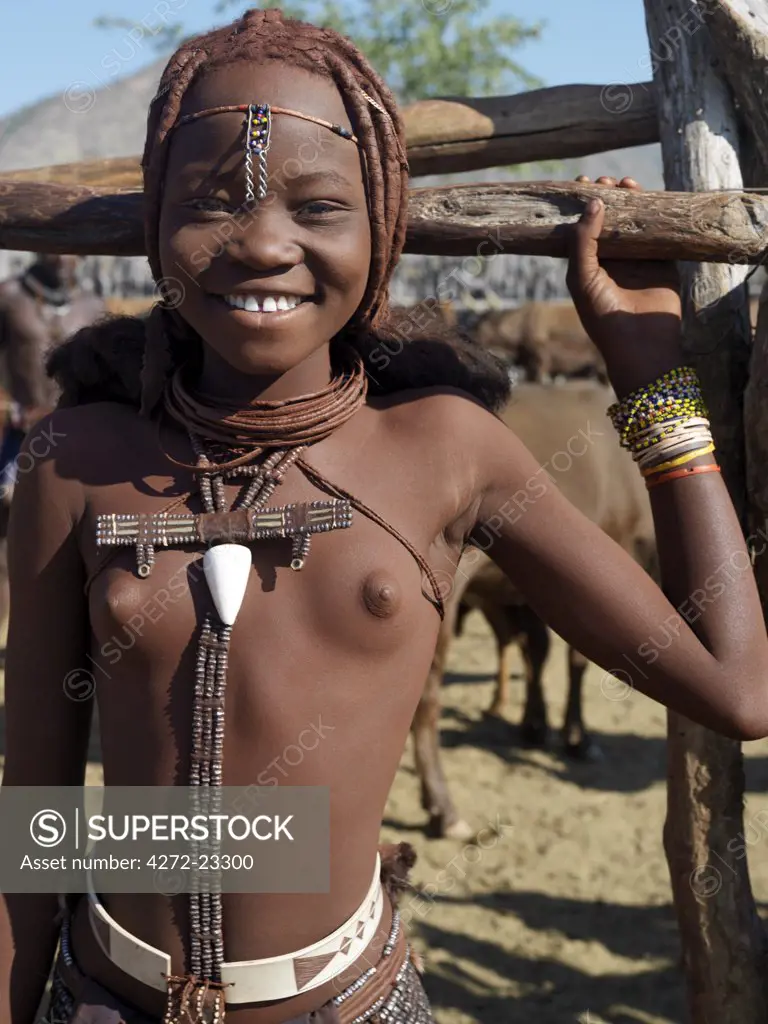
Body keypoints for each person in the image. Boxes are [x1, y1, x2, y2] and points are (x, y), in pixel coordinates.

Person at [2, 8, 768, 1024]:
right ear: (154, 228)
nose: (264, 241)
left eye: (319, 207)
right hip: (101, 999)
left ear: (385, 223)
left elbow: (735, 684)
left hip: (355, 1005)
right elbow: (38, 822)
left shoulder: (444, 451)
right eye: (208, 202)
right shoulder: (75, 460)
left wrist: (652, 384)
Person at [0, 253, 105, 635]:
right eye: (54, 248)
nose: (62, 257)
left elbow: (108, 377)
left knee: (77, 531)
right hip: (18, 435)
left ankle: (64, 637)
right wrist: (8, 409)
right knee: (10, 528)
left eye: (72, 250)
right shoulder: (9, 298)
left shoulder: (94, 306)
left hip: (78, 439)